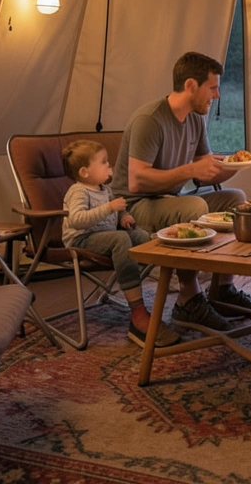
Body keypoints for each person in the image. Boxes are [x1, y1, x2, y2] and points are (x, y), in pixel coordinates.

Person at [113, 51, 251, 331]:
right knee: (193, 207)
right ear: (191, 86)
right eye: (213, 87)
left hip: (172, 199)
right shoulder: (150, 119)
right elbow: (136, 182)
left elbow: (206, 172)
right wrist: (189, 172)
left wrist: (237, 163)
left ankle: (222, 290)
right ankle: (189, 299)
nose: (216, 95)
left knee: (236, 200)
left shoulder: (195, 118)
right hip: (134, 206)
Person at [61, 140, 180, 348]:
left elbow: (117, 210)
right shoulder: (79, 191)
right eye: (104, 162)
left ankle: (164, 275)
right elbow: (76, 220)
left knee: (140, 235)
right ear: (84, 172)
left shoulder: (105, 189)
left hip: (104, 237)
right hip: (81, 240)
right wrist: (109, 208)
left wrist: (123, 216)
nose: (110, 165)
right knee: (120, 239)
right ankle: (138, 311)